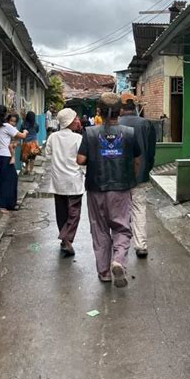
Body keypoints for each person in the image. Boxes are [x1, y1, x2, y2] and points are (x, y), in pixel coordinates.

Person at [77, 92, 141, 287]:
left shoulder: (90, 133)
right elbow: (136, 160)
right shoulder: (129, 133)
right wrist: (132, 177)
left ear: (99, 111)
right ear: (119, 111)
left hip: (96, 188)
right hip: (122, 187)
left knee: (100, 229)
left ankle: (104, 272)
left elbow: (80, 160)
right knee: (122, 227)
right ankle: (118, 260)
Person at [119, 94, 156, 258]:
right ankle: (141, 245)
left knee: (120, 211)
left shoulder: (115, 124)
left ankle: (121, 245)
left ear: (120, 108)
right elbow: (151, 151)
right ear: (135, 106)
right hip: (140, 176)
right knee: (139, 208)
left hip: (119, 177)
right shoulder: (146, 124)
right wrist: (146, 169)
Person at [45, 108, 84, 257]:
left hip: (58, 180)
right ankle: (67, 239)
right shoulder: (78, 139)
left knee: (61, 212)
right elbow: (82, 159)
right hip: (74, 180)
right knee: (74, 213)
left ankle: (64, 240)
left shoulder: (53, 138)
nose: (78, 121)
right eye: (75, 118)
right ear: (69, 122)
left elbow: (48, 154)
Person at [0, 105, 28, 213]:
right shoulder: (6, 126)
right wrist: (26, 131)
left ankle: (8, 203)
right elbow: (22, 136)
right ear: (4, 115)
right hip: (6, 156)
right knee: (9, 179)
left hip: (0, 155)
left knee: (5, 179)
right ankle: (3, 205)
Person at [21, 111, 40, 175]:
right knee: (32, 158)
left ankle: (26, 169)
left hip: (26, 143)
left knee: (26, 158)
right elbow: (37, 131)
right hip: (34, 143)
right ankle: (31, 170)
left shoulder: (23, 124)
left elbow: (21, 131)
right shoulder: (36, 124)